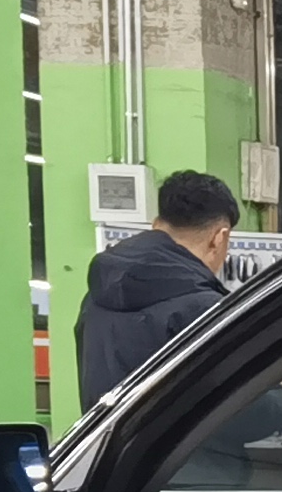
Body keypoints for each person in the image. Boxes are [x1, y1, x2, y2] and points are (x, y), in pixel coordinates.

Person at [72, 170, 241, 414]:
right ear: (219, 238)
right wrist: (280, 393)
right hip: (182, 452)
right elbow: (238, 414)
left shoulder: (96, 297)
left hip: (105, 449)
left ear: (155, 225)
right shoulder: (203, 310)